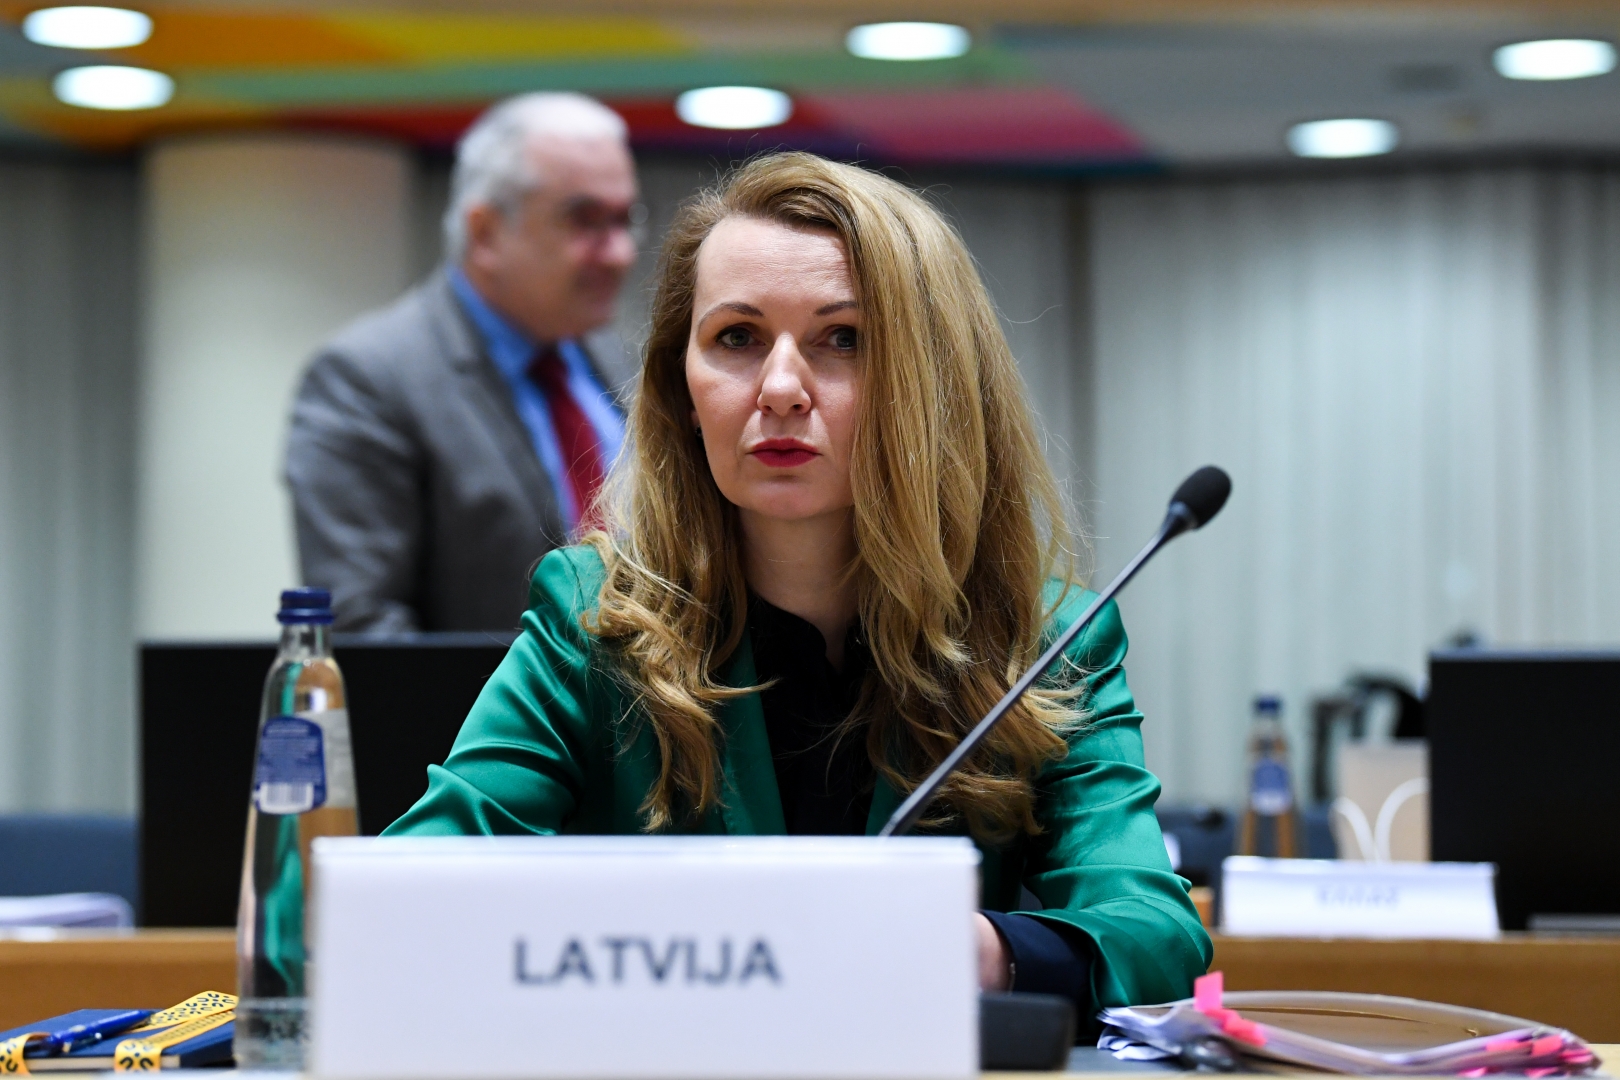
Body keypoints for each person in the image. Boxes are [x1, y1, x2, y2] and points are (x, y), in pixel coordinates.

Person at [385, 153, 1211, 1013]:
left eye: (842, 338)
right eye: (737, 339)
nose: (780, 388)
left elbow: (1156, 936)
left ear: (932, 383)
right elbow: (409, 894)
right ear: (683, 388)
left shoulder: (1045, 638)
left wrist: (981, 952)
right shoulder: (595, 616)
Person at [285, 92, 640, 632]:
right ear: (485, 233)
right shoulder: (366, 380)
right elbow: (361, 628)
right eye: (585, 220)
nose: (619, 253)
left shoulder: (620, 359)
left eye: (624, 219)